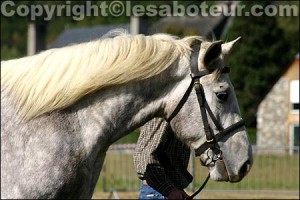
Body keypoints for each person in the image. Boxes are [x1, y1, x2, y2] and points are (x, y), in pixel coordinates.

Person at [134, 118, 192, 199]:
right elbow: (145, 158)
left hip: (171, 191)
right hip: (159, 193)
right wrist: (169, 191)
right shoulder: (163, 116)